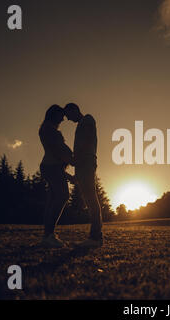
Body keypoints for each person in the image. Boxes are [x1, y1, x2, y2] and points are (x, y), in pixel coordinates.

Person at [64, 103, 103, 248]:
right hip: (82, 163)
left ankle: (95, 237)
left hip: (86, 161)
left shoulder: (87, 119)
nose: (68, 119)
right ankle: (95, 237)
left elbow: (86, 141)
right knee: (88, 198)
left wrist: (75, 159)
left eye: (68, 115)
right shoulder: (81, 123)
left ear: (74, 110)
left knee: (91, 198)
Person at [38, 105, 74, 248]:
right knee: (62, 196)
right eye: (61, 116)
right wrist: (73, 160)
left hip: (53, 168)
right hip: (52, 167)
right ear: (54, 115)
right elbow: (58, 150)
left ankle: (48, 235)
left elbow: (58, 151)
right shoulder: (49, 130)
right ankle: (49, 235)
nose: (63, 119)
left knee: (53, 200)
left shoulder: (48, 129)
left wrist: (67, 174)